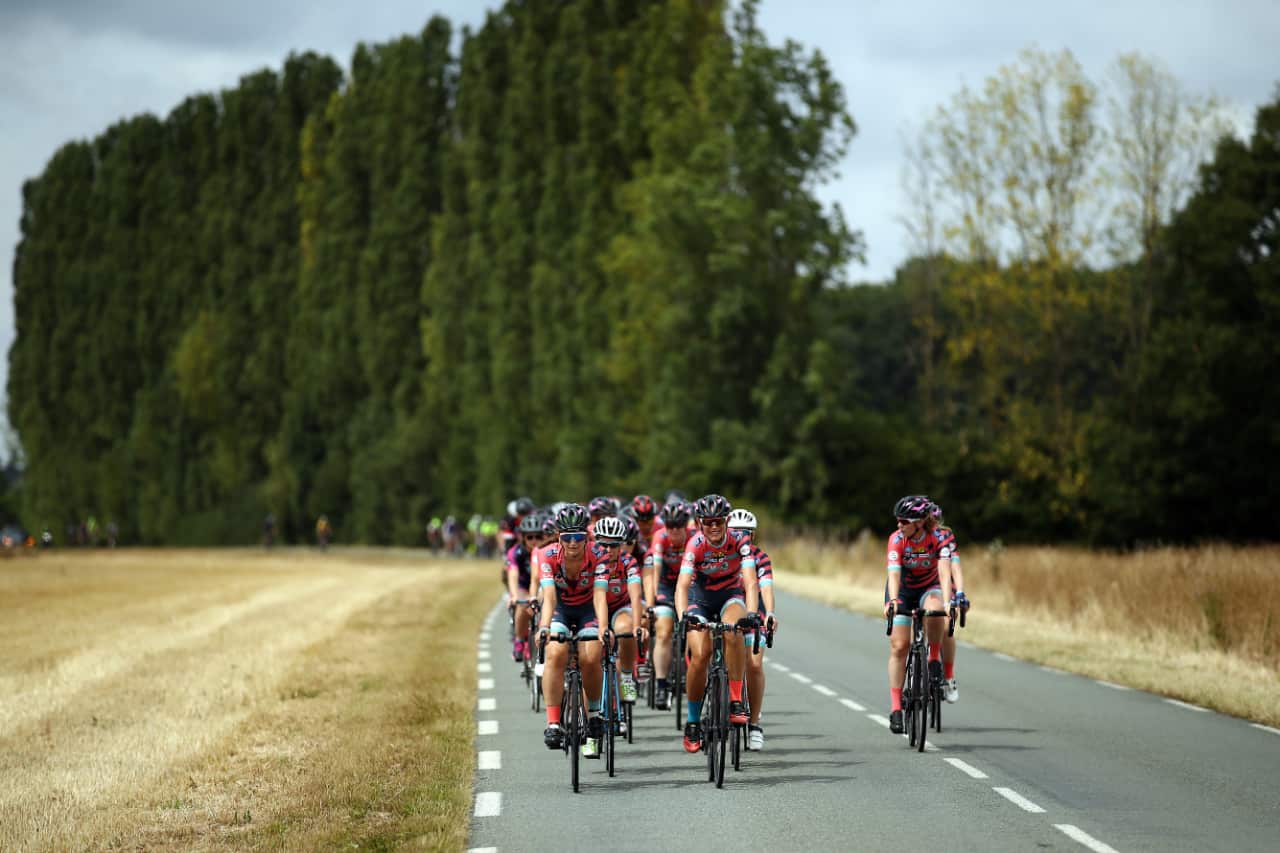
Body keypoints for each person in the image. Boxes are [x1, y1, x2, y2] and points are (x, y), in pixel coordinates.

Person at [676, 494, 760, 753]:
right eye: (709, 521)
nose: (714, 526)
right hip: (698, 600)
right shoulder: (695, 545)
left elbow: (750, 580)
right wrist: (683, 617)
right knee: (700, 655)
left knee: (735, 631)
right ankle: (692, 721)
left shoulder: (739, 542)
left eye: (719, 521)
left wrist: (753, 613)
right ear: (701, 523)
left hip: (729, 597)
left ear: (726, 521)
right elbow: (681, 585)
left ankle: (735, 699)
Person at [537, 503, 606, 758]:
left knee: (590, 657)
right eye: (568, 537)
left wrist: (604, 627)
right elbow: (550, 597)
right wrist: (544, 627)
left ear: (587, 537)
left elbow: (600, 596)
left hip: (589, 610)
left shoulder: (599, 554)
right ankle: (553, 723)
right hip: (561, 610)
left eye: (579, 537)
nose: (574, 543)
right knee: (555, 652)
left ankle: (595, 715)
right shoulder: (546, 555)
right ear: (559, 537)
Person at [884, 495, 953, 734]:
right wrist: (892, 601)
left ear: (920, 523)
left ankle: (934, 657)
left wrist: (949, 601)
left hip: (929, 586)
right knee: (899, 645)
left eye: (904, 521)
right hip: (902, 590)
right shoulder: (896, 540)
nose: (899, 525)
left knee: (935, 611)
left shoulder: (937, 538)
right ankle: (895, 709)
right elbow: (893, 574)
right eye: (898, 520)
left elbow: (944, 572)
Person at [727, 508, 777, 751]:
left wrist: (770, 613)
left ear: (753, 536)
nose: (741, 537)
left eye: (746, 533)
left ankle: (755, 723)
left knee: (754, 665)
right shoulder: (720, 556)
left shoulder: (760, 558)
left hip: (752, 615)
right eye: (736, 533)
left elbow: (765, 588)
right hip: (725, 615)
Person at [644, 498, 693, 710]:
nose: (674, 531)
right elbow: (654, 568)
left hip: (689, 588)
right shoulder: (660, 537)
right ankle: (661, 684)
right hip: (665, 587)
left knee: (694, 630)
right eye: (670, 526)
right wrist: (653, 600)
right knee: (663, 631)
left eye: (678, 526)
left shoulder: (694, 538)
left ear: (686, 525)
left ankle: (693, 671)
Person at [591, 516, 645, 704]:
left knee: (627, 629)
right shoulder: (588, 560)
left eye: (613, 545)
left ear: (621, 545)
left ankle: (628, 676)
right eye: (603, 544)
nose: (608, 550)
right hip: (594, 610)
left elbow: (636, 595)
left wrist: (638, 625)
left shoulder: (628, 562)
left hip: (619, 607)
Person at [927, 501, 969, 703]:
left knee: (947, 627)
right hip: (921, 587)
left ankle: (949, 675)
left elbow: (955, 566)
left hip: (943, 586)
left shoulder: (945, 536)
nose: (931, 523)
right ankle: (916, 662)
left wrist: (959, 592)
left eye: (934, 520)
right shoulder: (913, 535)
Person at [506, 514, 542, 662]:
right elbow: (513, 574)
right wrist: (514, 595)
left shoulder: (545, 551)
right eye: (530, 537)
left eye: (538, 537)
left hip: (540, 586)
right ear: (523, 538)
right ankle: (520, 640)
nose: (534, 541)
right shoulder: (516, 552)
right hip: (523, 586)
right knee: (523, 606)